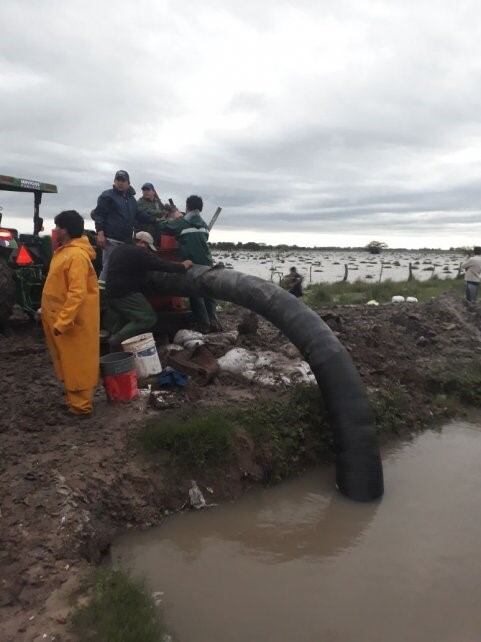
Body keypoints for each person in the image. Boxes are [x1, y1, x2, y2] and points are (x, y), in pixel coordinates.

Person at [41, 210, 99, 416]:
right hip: (58, 319)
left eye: (57, 227)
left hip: (72, 323)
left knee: (77, 363)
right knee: (66, 361)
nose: (55, 231)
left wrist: (63, 321)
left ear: (65, 230)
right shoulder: (64, 252)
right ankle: (74, 402)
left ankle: (81, 407)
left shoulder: (76, 256)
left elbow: (77, 293)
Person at [105, 231, 192, 348]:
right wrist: (182, 266)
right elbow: (161, 265)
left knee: (125, 319)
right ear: (142, 242)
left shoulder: (119, 249)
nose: (148, 251)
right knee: (148, 318)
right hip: (125, 293)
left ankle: (112, 348)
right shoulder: (139, 251)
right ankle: (115, 342)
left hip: (110, 292)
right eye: (148, 248)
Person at [157, 194, 221, 333]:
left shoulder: (182, 223)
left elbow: (163, 227)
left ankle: (204, 325)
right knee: (209, 292)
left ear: (187, 206)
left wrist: (167, 217)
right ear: (200, 209)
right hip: (207, 262)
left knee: (195, 293)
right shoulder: (204, 224)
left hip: (192, 263)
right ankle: (213, 321)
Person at [91, 170, 160, 287]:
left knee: (123, 269)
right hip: (111, 240)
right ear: (114, 181)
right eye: (118, 180)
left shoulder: (132, 200)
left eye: (123, 180)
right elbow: (99, 215)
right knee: (108, 267)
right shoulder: (107, 196)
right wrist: (100, 233)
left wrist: (155, 220)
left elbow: (138, 214)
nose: (120, 183)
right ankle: (101, 298)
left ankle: (116, 295)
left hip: (126, 241)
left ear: (128, 183)